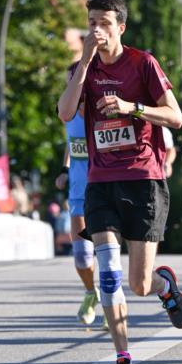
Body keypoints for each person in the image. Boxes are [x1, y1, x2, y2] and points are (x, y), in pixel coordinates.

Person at [57, 0, 182, 364]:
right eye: (92, 22)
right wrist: (82, 63)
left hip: (143, 178)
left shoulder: (142, 63)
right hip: (101, 181)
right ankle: (123, 360)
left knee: (139, 284)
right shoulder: (87, 69)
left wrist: (133, 107)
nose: (97, 29)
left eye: (104, 23)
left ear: (121, 28)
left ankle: (164, 286)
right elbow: (65, 113)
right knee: (110, 276)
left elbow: (176, 117)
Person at [54, 109, 106, 328]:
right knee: (82, 257)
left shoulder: (102, 110)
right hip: (78, 191)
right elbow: (71, 141)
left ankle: (113, 304)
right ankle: (90, 292)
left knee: (106, 254)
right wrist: (65, 169)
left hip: (104, 188)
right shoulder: (68, 112)